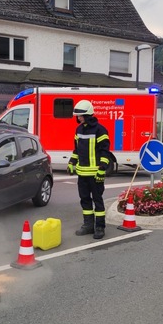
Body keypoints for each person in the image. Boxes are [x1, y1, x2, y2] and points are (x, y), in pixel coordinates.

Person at [67, 100, 110, 240]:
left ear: (87, 115)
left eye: (80, 116)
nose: (78, 118)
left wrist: (102, 169)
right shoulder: (78, 130)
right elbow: (76, 149)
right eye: (77, 116)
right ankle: (88, 225)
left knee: (97, 200)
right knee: (85, 200)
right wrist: (72, 162)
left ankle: (99, 227)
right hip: (82, 173)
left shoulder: (100, 130)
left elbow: (105, 152)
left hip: (95, 174)